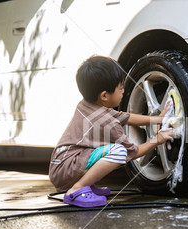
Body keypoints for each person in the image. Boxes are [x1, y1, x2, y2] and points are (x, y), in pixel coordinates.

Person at [49, 55, 174, 207]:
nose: (123, 91)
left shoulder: (87, 105)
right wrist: (157, 140)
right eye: (120, 88)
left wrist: (158, 119)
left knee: (101, 151)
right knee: (119, 152)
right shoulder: (107, 122)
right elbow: (133, 152)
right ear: (104, 95)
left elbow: (125, 117)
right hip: (67, 169)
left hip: (61, 164)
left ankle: (85, 184)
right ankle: (77, 189)